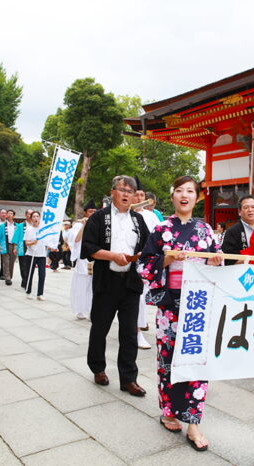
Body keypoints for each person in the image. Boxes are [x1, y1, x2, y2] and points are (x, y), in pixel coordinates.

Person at [138, 176, 222, 452]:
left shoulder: (205, 229)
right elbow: (145, 264)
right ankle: (169, 410)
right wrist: (168, 258)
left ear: (197, 198)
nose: (185, 195)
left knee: (198, 357)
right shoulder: (161, 229)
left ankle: (194, 421)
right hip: (170, 304)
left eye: (190, 191)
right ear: (172, 195)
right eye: (179, 191)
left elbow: (217, 260)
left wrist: (215, 259)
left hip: (198, 303)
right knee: (169, 358)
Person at [81, 175, 150, 397]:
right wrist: (112, 256)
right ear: (113, 192)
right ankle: (98, 368)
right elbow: (89, 248)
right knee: (100, 328)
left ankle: (129, 379)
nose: (127, 194)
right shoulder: (99, 218)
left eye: (131, 191)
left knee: (129, 332)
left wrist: (141, 257)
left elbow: (148, 248)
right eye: (122, 190)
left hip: (130, 283)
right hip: (106, 280)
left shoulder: (138, 221)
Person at [133, 178, 161, 349]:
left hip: (146, 261)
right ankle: (134, 330)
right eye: (135, 194)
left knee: (141, 297)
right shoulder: (124, 214)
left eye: (141, 194)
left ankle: (138, 329)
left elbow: (160, 238)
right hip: (127, 260)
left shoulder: (151, 216)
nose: (138, 197)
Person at [67, 202, 96, 319]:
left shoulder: (98, 223)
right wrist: (84, 226)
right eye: (90, 212)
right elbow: (75, 240)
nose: (92, 214)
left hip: (94, 259)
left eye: (94, 212)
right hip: (83, 260)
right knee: (81, 286)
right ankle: (80, 310)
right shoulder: (78, 225)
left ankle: (91, 311)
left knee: (93, 287)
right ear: (85, 212)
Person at [221, 195, 254, 265]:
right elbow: (228, 260)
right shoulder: (232, 232)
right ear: (239, 212)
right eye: (246, 207)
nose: (250, 210)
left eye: (253, 207)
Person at [24, 211, 48, 300]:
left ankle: (40, 294)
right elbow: (26, 243)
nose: (36, 218)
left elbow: (47, 241)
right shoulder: (29, 229)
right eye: (34, 216)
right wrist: (33, 242)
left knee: (42, 274)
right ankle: (28, 291)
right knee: (30, 273)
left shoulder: (43, 229)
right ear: (31, 218)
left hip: (42, 255)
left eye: (37, 216)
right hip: (31, 254)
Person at [13, 209, 33, 289]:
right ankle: (25, 282)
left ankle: (26, 281)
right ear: (26, 215)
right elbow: (16, 237)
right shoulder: (20, 226)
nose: (30, 216)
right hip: (23, 247)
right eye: (29, 214)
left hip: (32, 247)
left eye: (32, 214)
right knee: (23, 266)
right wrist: (15, 247)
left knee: (30, 265)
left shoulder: (36, 225)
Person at [2, 209, 18, 285]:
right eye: (8, 213)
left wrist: (17, 246)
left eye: (11, 213)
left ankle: (10, 276)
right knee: (6, 262)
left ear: (13, 216)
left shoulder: (17, 226)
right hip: (5, 245)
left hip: (14, 246)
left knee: (12, 262)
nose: (9, 215)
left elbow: (19, 236)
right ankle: (7, 278)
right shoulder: (3, 226)